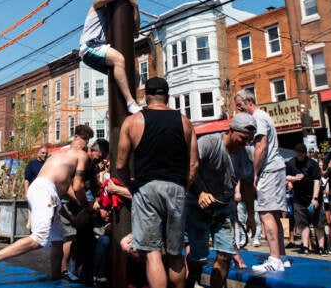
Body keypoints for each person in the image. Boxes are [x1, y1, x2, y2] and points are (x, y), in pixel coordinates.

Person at [0, 124, 107, 287]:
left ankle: (56, 278)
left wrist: (70, 217)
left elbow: (60, 194)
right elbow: (77, 186)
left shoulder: (60, 153)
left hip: (44, 191)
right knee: (38, 238)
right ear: (85, 141)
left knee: (57, 241)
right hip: (45, 191)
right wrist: (87, 206)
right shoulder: (81, 154)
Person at [116, 77, 199, 288]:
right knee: (175, 253)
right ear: (168, 95)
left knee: (152, 254)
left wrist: (132, 187)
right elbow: (194, 164)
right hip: (176, 187)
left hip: (146, 187)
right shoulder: (184, 121)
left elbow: (119, 166)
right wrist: (183, 187)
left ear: (145, 96)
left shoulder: (133, 121)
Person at [185, 112, 256, 288]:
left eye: (249, 139)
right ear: (231, 130)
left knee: (226, 254)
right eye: (243, 138)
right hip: (198, 206)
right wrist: (200, 192)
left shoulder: (247, 154)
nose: (246, 143)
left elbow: (247, 185)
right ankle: (189, 281)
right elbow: (188, 168)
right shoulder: (210, 143)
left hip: (224, 208)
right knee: (198, 258)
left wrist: (252, 215)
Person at [234, 89, 287, 272]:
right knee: (273, 213)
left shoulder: (257, 117)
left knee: (265, 213)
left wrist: (255, 172)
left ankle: (274, 259)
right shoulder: (263, 116)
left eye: (240, 105)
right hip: (276, 167)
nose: (240, 110)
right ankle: (281, 256)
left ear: (249, 101)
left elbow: (261, 145)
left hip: (269, 169)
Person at [79, 0, 142, 115]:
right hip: (90, 46)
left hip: (99, 48)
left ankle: (126, 105)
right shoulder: (96, 6)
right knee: (119, 59)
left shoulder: (114, 21)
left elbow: (136, 29)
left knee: (134, 75)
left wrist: (135, 7)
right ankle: (130, 101)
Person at [285, 143, 325, 256]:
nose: (299, 155)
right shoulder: (291, 163)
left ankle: (321, 247)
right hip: (299, 198)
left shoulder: (312, 164)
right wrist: (294, 178)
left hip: (313, 196)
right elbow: (286, 176)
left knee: (318, 223)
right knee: (303, 223)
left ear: (305, 153)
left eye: (302, 153)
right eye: (298, 152)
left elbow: (317, 181)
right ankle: (305, 246)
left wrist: (315, 198)